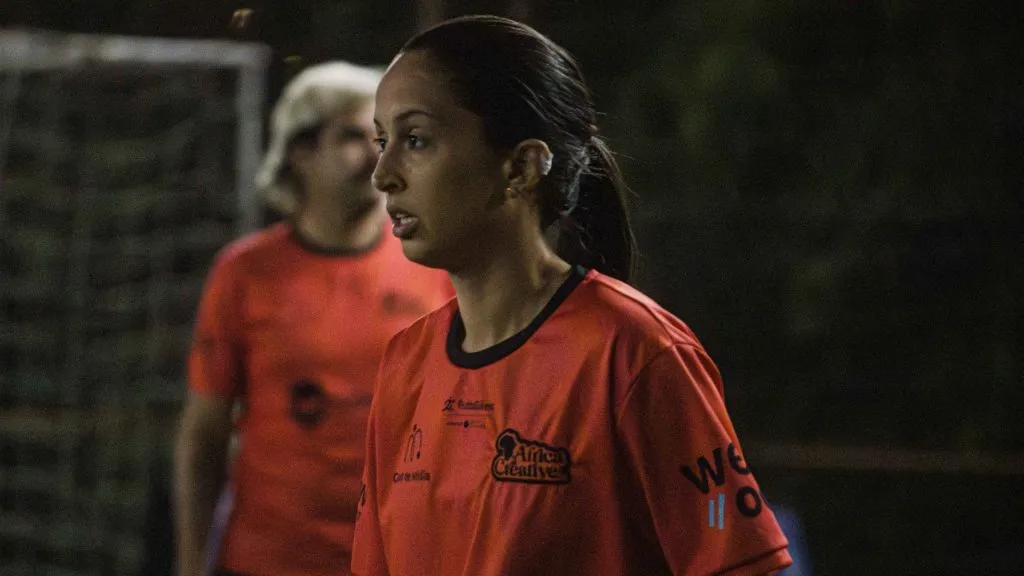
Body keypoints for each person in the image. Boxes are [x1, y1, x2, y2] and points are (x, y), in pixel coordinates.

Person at [351, 15, 793, 576]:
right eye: (382, 140)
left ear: (521, 167)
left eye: (415, 140)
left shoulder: (635, 353)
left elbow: (735, 561)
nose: (383, 174)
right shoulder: (405, 363)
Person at [173, 61, 453, 576]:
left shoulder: (434, 266)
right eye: (353, 136)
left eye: (385, 137)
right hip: (270, 560)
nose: (376, 155)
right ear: (300, 152)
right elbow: (204, 435)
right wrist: (191, 562)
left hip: (400, 559)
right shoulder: (245, 273)